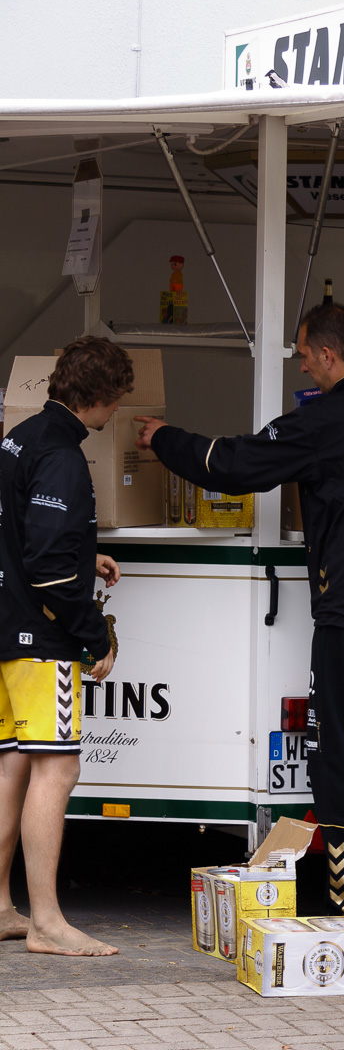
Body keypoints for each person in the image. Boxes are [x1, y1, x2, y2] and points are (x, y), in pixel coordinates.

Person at [137, 304, 344, 938]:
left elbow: (233, 464)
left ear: (326, 354)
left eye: (303, 355)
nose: (302, 367)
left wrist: (163, 437)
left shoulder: (324, 419)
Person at [0, 337, 129, 957]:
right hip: (41, 638)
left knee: (11, 767)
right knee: (57, 768)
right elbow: (49, 568)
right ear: (99, 396)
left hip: (6, 629)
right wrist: (94, 635)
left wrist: (83, 554)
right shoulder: (61, 455)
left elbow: (22, 531)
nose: (117, 410)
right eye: (117, 399)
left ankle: (2, 908)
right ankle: (47, 924)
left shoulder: (18, 438)